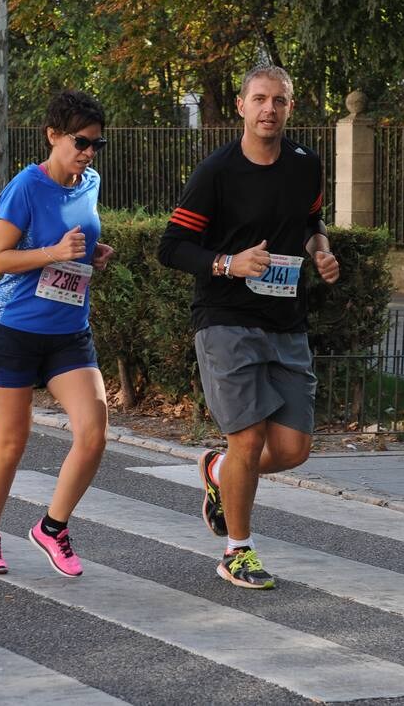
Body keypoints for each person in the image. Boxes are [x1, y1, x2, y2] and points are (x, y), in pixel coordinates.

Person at [158, 65, 339, 589]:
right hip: (225, 319)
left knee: (292, 449)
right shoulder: (217, 173)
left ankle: (217, 473)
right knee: (249, 437)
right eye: (259, 99)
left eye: (278, 101)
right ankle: (238, 550)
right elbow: (171, 247)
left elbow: (309, 224)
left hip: (286, 320)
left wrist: (322, 252)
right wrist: (227, 264)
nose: (269, 110)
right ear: (241, 106)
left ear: (290, 107)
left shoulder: (306, 165)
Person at [0, 89, 114, 578]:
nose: (88, 152)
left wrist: (92, 252)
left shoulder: (89, 182)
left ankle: (53, 527)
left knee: (94, 433)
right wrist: (53, 253)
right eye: (80, 141)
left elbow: (78, 237)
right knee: (13, 442)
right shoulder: (25, 187)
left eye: (96, 144)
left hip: (69, 330)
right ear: (53, 135)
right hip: (14, 327)